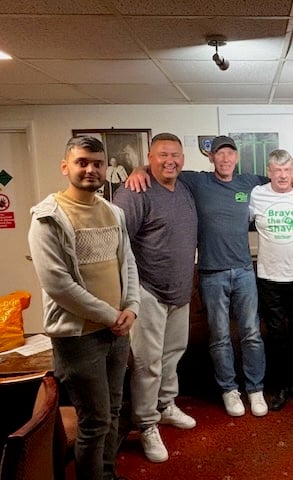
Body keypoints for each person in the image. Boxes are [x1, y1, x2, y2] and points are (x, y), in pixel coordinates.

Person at [125, 135, 293, 418]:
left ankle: (255, 389)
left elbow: (280, 177)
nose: (225, 159)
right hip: (211, 274)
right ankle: (229, 390)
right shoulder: (197, 182)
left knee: (251, 334)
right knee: (220, 336)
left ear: (236, 158)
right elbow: (162, 165)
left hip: (245, 271)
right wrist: (137, 170)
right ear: (211, 158)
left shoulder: (249, 183)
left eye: (230, 154)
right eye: (219, 154)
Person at [28, 136, 139, 480]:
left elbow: (128, 265)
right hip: (79, 338)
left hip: (117, 332)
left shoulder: (113, 211)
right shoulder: (48, 217)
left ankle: (107, 474)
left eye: (97, 163)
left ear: (106, 168)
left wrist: (131, 307)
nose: (91, 169)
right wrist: (111, 316)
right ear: (66, 167)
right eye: (82, 162)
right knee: (94, 422)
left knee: (115, 412)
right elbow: (59, 285)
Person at [112, 133, 197, 463]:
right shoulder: (135, 191)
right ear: (150, 157)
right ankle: (146, 424)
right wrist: (129, 296)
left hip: (179, 290)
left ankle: (165, 406)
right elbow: (118, 244)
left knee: (173, 354)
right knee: (147, 363)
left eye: (175, 154)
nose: (170, 160)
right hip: (148, 290)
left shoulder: (185, 187)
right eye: (162, 155)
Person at [249, 149, 293, 411]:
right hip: (269, 277)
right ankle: (280, 388)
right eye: (277, 171)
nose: (282, 175)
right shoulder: (257, 194)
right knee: (275, 335)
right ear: (269, 172)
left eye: (287, 171)